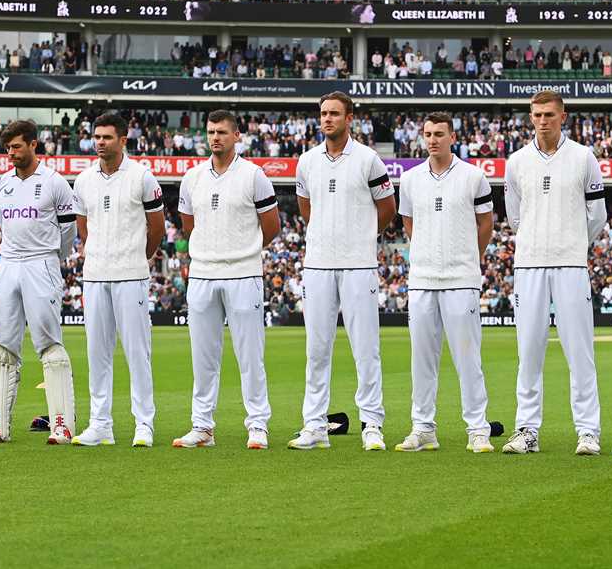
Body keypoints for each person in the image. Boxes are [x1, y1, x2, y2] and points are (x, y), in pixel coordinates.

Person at [500, 90, 608, 456]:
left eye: (548, 114)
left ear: (563, 116)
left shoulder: (583, 157)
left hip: (571, 264)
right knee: (528, 350)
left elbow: (598, 216)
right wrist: (535, 240)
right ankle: (526, 430)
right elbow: (515, 216)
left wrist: (574, 244)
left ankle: (588, 431)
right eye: (536, 115)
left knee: (580, 351)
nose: (542, 120)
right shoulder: (516, 162)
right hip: (529, 264)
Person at [289, 92, 396, 452]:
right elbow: (306, 208)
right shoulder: (307, 161)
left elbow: (388, 208)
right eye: (323, 113)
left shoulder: (368, 159)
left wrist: (360, 237)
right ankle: (315, 426)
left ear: (349, 117)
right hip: (317, 264)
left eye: (334, 113)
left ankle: (372, 424)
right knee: (317, 349)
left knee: (366, 348)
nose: (327, 119)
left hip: (358, 264)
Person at [172, 110, 280, 450]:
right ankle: (202, 426)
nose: (215, 137)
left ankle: (258, 425)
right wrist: (208, 251)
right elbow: (189, 225)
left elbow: (272, 225)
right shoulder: (192, 177)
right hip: (203, 273)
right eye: (210, 131)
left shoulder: (253, 175)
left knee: (250, 354)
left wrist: (244, 251)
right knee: (203, 356)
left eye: (222, 132)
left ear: (237, 136)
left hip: (243, 273)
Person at [395, 112, 494, 453]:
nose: (433, 139)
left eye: (439, 133)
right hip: (422, 279)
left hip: (461, 279)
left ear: (453, 136)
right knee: (421, 359)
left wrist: (467, 257)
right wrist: (425, 255)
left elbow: (486, 225)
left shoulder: (473, 177)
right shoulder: (410, 180)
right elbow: (409, 223)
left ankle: (478, 429)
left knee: (468, 358)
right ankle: (423, 428)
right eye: (428, 134)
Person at [0, 120, 79, 445]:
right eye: (8, 148)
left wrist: (51, 258)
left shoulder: (55, 182)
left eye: (17, 147)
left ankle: (62, 424)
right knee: (3, 345)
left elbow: (68, 232)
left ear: (34, 144)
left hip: (42, 263)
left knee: (49, 344)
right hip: (9, 265)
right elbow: (3, 221)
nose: (11, 153)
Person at [71, 112, 165, 448]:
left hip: (131, 275)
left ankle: (144, 424)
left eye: (107, 137)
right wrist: (97, 254)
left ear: (123, 140)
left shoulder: (142, 176)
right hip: (95, 276)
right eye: (96, 137)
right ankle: (100, 425)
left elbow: (157, 228)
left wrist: (141, 257)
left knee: (137, 352)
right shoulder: (83, 180)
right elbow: (83, 228)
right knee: (97, 353)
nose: (100, 143)